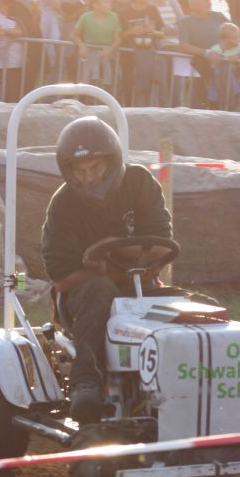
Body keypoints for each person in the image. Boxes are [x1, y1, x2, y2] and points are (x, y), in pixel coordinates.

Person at [41, 115, 172, 423]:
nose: (90, 178)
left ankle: (230, 390)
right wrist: (107, 273)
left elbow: (164, 249)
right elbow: (61, 277)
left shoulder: (139, 183)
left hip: (143, 287)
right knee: (101, 289)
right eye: (81, 171)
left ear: (112, 162)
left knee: (198, 308)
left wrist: (115, 245)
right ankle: (86, 383)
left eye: (96, 168)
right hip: (82, 297)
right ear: (69, 172)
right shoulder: (62, 205)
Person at [176, 0, 228, 108]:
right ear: (194, 5)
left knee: (220, 105)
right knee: (197, 106)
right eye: (205, 0)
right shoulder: (185, 22)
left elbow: (234, 35)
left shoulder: (219, 17)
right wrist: (207, 53)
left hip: (222, 69)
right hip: (198, 71)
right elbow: (184, 46)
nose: (209, 2)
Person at [117, 0, 165, 105]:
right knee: (128, 90)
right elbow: (118, 35)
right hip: (129, 59)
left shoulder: (153, 10)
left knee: (148, 92)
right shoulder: (123, 12)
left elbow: (162, 33)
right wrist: (132, 31)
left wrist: (153, 32)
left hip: (150, 58)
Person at [71, 0, 121, 85]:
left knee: (107, 85)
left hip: (107, 57)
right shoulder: (85, 17)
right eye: (106, 2)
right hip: (88, 57)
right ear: (96, 5)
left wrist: (109, 50)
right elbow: (73, 35)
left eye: (110, 1)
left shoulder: (114, 16)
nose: (109, 4)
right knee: (86, 84)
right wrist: (81, 45)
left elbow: (118, 39)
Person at [207, 21, 240, 110]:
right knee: (216, 99)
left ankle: (231, 111)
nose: (239, 39)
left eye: (239, 36)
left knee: (232, 99)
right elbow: (211, 60)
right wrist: (217, 59)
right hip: (219, 79)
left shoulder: (239, 47)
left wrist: (239, 60)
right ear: (225, 40)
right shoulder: (215, 49)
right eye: (235, 37)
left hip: (232, 79)